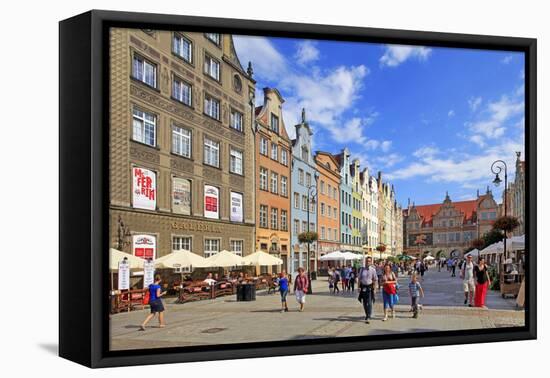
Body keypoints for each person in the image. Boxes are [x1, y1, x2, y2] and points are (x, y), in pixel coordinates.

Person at [358, 257, 377, 323]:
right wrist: (358, 287)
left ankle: (368, 316)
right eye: (367, 261)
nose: (367, 262)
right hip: (363, 287)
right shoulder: (362, 269)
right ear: (365, 262)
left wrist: (374, 289)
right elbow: (359, 279)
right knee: (364, 302)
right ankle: (367, 313)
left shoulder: (373, 270)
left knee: (369, 302)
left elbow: (375, 279)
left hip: (369, 287)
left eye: (369, 261)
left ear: (371, 262)